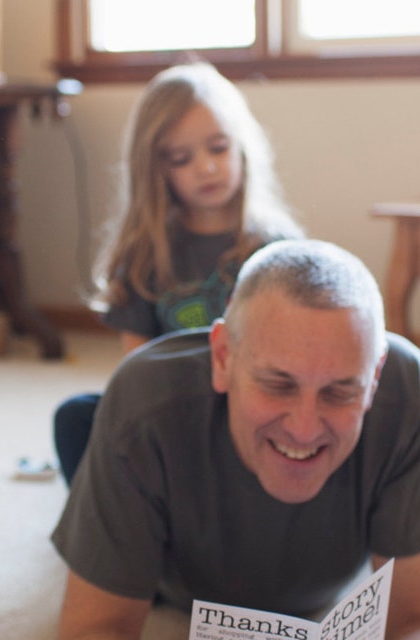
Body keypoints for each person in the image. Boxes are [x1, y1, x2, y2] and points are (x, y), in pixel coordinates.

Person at [52, 239, 420, 640]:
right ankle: (88, 441)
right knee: (86, 423)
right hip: (169, 569)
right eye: (278, 384)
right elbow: (90, 635)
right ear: (222, 357)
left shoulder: (411, 391)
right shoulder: (145, 399)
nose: (304, 426)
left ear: (375, 374)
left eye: (341, 390)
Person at [53, 61, 302, 483]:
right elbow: (137, 366)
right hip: (171, 410)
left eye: (218, 148)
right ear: (156, 169)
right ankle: (116, 516)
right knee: (76, 417)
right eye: (181, 158)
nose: (205, 167)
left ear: (242, 147)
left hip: (251, 414)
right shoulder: (144, 252)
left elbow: (294, 355)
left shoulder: (276, 246)